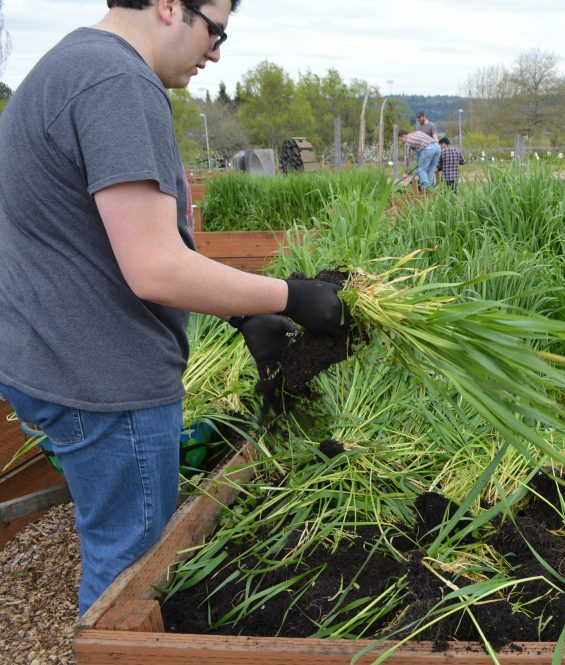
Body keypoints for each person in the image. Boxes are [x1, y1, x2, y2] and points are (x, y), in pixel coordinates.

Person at [0, 0, 349, 616]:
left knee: (117, 549)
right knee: (129, 580)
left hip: (53, 355)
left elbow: (99, 241)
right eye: (216, 30)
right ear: (167, 6)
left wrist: (242, 312)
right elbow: (155, 267)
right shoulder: (118, 84)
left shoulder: (68, 65)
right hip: (104, 377)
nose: (216, 51)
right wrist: (291, 297)